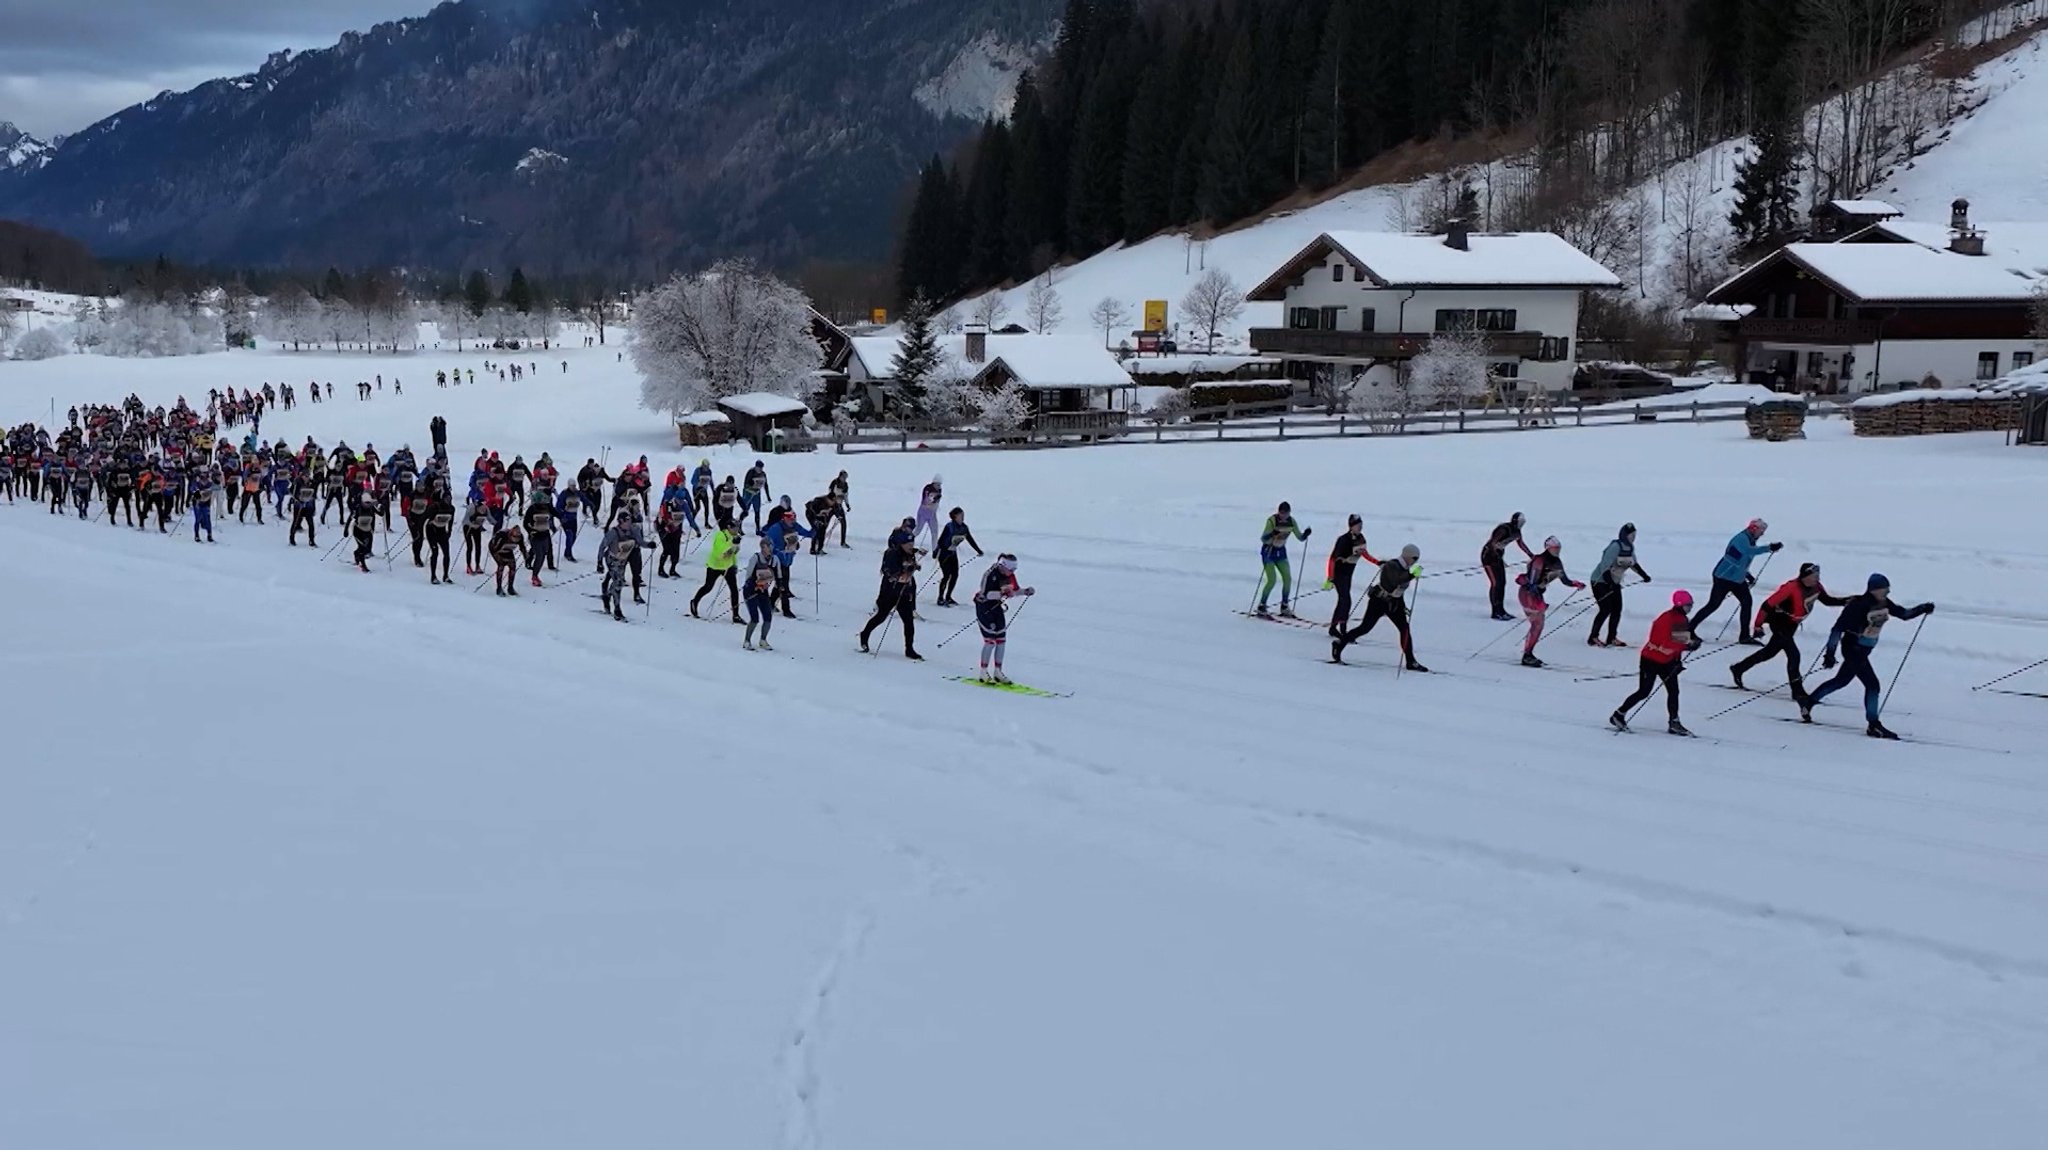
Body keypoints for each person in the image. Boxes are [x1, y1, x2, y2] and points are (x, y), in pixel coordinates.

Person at [1803, 574, 1934, 739]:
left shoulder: (1884, 603)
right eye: (1884, 588)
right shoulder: (1858, 605)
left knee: (1841, 681)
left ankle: (1808, 702)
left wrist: (1922, 608)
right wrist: (1830, 654)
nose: (1888, 591)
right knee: (1873, 685)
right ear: (1874, 589)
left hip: (1864, 650)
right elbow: (1837, 629)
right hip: (1853, 649)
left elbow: (1903, 614)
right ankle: (1874, 724)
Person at [1731, 562, 1848, 702]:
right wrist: (1757, 626)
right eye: (1814, 576)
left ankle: (1738, 668)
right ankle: (1797, 691)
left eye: (1818, 575)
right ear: (1805, 576)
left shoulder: (1817, 587)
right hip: (1779, 623)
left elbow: (1828, 601)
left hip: (1792, 625)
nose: (1817, 578)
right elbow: (1767, 605)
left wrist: (1849, 601)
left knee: (1770, 652)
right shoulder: (1791, 588)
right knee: (1794, 656)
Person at [1610, 590, 1702, 736]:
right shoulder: (1666, 619)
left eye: (1691, 605)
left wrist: (1678, 659)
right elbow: (1667, 642)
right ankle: (1618, 714)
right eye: (1688, 605)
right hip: (1650, 660)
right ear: (1679, 605)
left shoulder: (1681, 619)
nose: (1690, 608)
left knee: (1673, 691)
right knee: (1644, 691)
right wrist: (1687, 646)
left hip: (1667, 661)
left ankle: (1674, 722)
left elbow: (1681, 639)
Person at [1331, 544, 1428, 671]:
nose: (1415, 562)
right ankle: (1339, 644)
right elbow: (1395, 582)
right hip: (1378, 602)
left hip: (1394, 604)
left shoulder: (1405, 569)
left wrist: (1403, 607)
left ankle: (1411, 661)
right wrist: (1411, 576)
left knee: (1404, 629)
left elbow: (1399, 591)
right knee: (1364, 628)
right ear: (1407, 556)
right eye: (1414, 558)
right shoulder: (1392, 565)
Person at [1690, 518, 1781, 644]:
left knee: (1747, 602)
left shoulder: (1750, 540)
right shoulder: (1741, 539)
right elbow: (1748, 551)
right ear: (1754, 529)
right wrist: (1769, 548)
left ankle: (1744, 636)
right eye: (1761, 530)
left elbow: (1740, 560)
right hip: (1723, 578)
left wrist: (1747, 575)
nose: (1762, 534)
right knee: (1713, 605)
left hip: (1737, 580)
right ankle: (1689, 630)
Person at [859, 519, 924, 660]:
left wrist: (914, 566)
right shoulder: (891, 554)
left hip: (904, 593)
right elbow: (891, 574)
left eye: (912, 543)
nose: (911, 546)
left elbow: (909, 567)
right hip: (890, 592)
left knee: (908, 622)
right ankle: (865, 634)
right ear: (901, 544)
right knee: (880, 617)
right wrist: (906, 570)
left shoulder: (909, 553)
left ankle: (909, 649)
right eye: (908, 544)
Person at [1516, 536, 1585, 668]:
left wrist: (1576, 584)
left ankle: (1528, 653)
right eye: (1555, 548)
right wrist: (1539, 603)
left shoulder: (1557, 562)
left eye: (1558, 548)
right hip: (1527, 594)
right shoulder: (1540, 560)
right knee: (1537, 624)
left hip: (1535, 595)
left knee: (1538, 625)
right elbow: (1532, 583)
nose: (1557, 551)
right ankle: (1527, 655)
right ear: (1548, 548)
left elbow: (1565, 580)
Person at [973, 553, 1035, 682]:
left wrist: (1025, 592)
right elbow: (985, 595)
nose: (1012, 573)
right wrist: (1002, 593)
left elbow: (1014, 591)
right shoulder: (990, 574)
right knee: (990, 641)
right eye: (1011, 570)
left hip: (997, 607)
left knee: (1001, 640)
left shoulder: (1010, 575)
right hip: (985, 608)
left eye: (1014, 570)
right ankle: (983, 672)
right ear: (1003, 566)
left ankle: (998, 671)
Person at [1587, 523, 1652, 647]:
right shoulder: (1615, 547)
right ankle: (1593, 637)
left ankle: (1611, 638)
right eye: (1631, 535)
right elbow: (1604, 567)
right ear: (1624, 535)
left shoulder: (1630, 548)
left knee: (1617, 610)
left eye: (1634, 535)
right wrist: (1610, 583)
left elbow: (1633, 564)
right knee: (1605, 609)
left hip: (1614, 583)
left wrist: (1644, 576)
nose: (1633, 537)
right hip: (1599, 582)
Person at [1324, 514, 1379, 638]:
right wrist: (1330, 577)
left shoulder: (1361, 539)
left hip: (1348, 574)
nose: (1360, 527)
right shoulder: (1343, 540)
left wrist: (1378, 562)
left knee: (1342, 601)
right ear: (1351, 526)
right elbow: (1332, 559)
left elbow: (1364, 554)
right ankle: (1343, 631)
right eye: (1357, 525)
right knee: (1346, 601)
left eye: (1361, 525)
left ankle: (1333, 628)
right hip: (1338, 574)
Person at [1255, 501, 1311, 618]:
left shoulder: (1291, 522)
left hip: (1281, 552)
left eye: (1285, 514)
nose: (1283, 516)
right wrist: (1272, 534)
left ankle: (1284, 605)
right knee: (1272, 580)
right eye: (1281, 513)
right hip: (1269, 552)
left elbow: (1299, 537)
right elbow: (1263, 539)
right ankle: (1262, 605)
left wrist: (1305, 535)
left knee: (1287, 578)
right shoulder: (1272, 521)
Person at [1481, 512, 1534, 621]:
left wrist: (1531, 555)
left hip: (1498, 556)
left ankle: (1501, 610)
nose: (1521, 524)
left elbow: (1521, 544)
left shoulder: (1517, 532)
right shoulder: (1504, 529)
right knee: (1496, 584)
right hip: (1489, 556)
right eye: (1520, 522)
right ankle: (1495, 612)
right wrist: (1496, 557)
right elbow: (1492, 544)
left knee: (1502, 583)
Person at [763, 507, 813, 617]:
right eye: (790, 519)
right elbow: (766, 543)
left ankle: (770, 603)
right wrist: (776, 551)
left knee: (780, 583)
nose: (792, 522)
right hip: (776, 561)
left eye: (794, 519)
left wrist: (816, 527)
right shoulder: (776, 529)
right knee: (783, 585)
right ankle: (786, 610)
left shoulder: (795, 526)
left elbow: (808, 534)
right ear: (784, 518)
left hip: (787, 561)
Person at [689, 524, 744, 623]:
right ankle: (695, 601)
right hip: (715, 566)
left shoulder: (735, 537)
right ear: (729, 527)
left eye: (737, 528)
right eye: (735, 528)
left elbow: (734, 553)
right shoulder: (720, 536)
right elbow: (720, 553)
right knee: (708, 587)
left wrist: (735, 564)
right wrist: (732, 544)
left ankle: (736, 615)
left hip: (728, 566)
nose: (737, 530)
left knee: (734, 590)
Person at [934, 507, 985, 606]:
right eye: (960, 515)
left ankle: (948, 597)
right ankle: (940, 598)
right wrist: (936, 552)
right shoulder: (949, 527)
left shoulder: (964, 528)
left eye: (963, 515)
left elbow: (970, 539)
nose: (963, 517)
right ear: (955, 516)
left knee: (955, 575)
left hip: (953, 554)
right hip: (944, 554)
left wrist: (978, 550)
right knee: (946, 576)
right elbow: (940, 541)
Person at [742, 538, 781, 650]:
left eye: (771, 546)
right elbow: (749, 575)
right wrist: (753, 586)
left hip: (763, 592)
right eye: (768, 547)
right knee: (755, 618)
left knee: (768, 617)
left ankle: (763, 640)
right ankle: (747, 640)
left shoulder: (775, 560)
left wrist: (780, 587)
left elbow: (778, 576)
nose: (770, 549)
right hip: (751, 591)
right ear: (762, 547)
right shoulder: (756, 558)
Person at [523, 493, 557, 586]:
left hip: (545, 534)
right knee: (539, 556)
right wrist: (530, 531)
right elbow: (525, 523)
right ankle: (534, 576)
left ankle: (532, 567)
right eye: (542, 500)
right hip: (535, 535)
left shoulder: (547, 507)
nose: (544, 502)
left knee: (544, 553)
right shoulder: (532, 509)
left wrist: (562, 517)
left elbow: (556, 513)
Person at [423, 492, 455, 585]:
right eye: (446, 498)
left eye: (450, 498)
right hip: (431, 530)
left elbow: (451, 521)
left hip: (442, 531)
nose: (448, 501)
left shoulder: (451, 509)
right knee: (435, 552)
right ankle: (433, 576)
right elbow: (423, 518)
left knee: (447, 553)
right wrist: (419, 533)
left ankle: (446, 576)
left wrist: (449, 532)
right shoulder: (435, 507)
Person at [489, 522, 525, 596]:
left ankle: (510, 588)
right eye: (514, 537)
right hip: (495, 548)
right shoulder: (502, 536)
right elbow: (495, 548)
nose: (515, 540)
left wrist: (526, 556)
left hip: (508, 549)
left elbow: (522, 547)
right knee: (501, 565)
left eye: (517, 538)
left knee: (513, 566)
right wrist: (501, 559)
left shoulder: (520, 537)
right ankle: (499, 588)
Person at [654, 500, 686, 578]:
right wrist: (666, 526)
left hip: (676, 529)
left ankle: (672, 569)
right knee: (667, 549)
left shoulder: (683, 505)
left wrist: (679, 531)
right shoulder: (667, 506)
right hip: (663, 529)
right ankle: (660, 569)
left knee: (676, 550)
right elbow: (662, 518)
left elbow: (686, 515)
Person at [741, 460, 772, 533]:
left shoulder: (763, 474)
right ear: (756, 467)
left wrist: (768, 496)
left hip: (757, 494)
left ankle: (758, 528)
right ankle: (739, 525)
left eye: (761, 468)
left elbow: (765, 485)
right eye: (758, 468)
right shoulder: (750, 472)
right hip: (748, 494)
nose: (760, 470)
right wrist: (750, 485)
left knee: (757, 511)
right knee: (746, 510)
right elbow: (745, 485)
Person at [914, 475, 944, 549]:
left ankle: (934, 550)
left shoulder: (939, 490)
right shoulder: (927, 489)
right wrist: (934, 500)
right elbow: (926, 501)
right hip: (923, 513)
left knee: (935, 533)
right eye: (937, 484)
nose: (939, 486)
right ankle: (907, 541)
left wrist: (936, 504)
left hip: (932, 515)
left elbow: (936, 502)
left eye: (940, 485)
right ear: (933, 483)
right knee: (918, 530)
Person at [461, 500, 489, 576]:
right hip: (468, 527)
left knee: (478, 546)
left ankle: (477, 566)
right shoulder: (471, 509)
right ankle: (468, 566)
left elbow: (489, 518)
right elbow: (465, 520)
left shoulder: (486, 510)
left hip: (476, 528)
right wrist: (471, 522)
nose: (484, 508)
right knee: (470, 546)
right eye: (482, 507)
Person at [554, 485, 582, 563]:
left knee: (573, 536)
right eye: (572, 486)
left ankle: (567, 551)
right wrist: (562, 516)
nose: (573, 487)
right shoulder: (564, 494)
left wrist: (590, 503)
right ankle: (569, 554)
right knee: (569, 535)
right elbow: (558, 507)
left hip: (574, 518)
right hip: (565, 520)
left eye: (574, 486)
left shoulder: (577, 493)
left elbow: (583, 498)